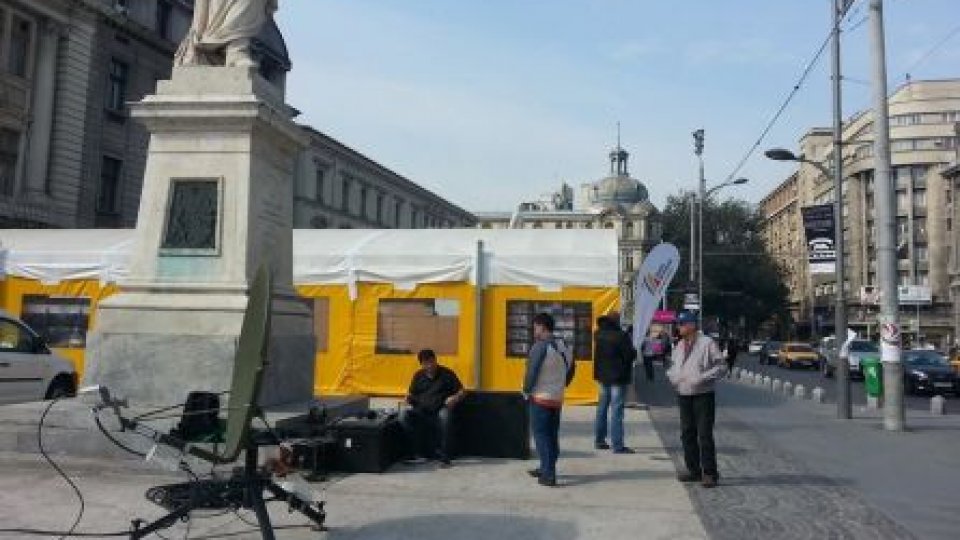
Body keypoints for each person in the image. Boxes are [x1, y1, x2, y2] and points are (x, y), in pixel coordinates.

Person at [666, 311, 726, 488]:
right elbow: (674, 366)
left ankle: (710, 473)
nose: (679, 327)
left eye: (681, 324)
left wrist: (703, 377)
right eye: (678, 324)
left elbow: (722, 367)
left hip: (703, 395)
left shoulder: (707, 343)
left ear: (691, 325)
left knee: (704, 434)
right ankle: (693, 470)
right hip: (683, 394)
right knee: (687, 433)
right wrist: (672, 377)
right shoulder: (679, 345)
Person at [523, 313, 574, 487]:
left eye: (535, 327)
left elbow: (531, 372)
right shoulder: (563, 345)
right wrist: (562, 384)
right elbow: (573, 368)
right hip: (557, 398)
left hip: (540, 398)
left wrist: (526, 390)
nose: (533, 330)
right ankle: (546, 466)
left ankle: (548, 474)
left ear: (541, 327)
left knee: (541, 436)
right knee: (552, 436)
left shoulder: (540, 347)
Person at [400, 349, 466, 467]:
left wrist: (455, 398)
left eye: (432, 361)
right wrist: (406, 400)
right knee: (403, 416)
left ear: (435, 360)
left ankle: (445, 457)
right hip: (421, 410)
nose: (430, 365)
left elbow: (462, 391)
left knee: (445, 417)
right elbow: (411, 394)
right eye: (426, 363)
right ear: (422, 364)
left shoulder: (447, 374)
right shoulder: (418, 375)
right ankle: (416, 453)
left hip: (441, 408)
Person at [593, 314, 637, 453]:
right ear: (616, 321)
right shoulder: (621, 336)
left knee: (602, 408)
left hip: (602, 376)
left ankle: (599, 440)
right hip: (618, 377)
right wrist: (634, 351)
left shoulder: (598, 334)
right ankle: (617, 445)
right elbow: (629, 355)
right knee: (617, 411)